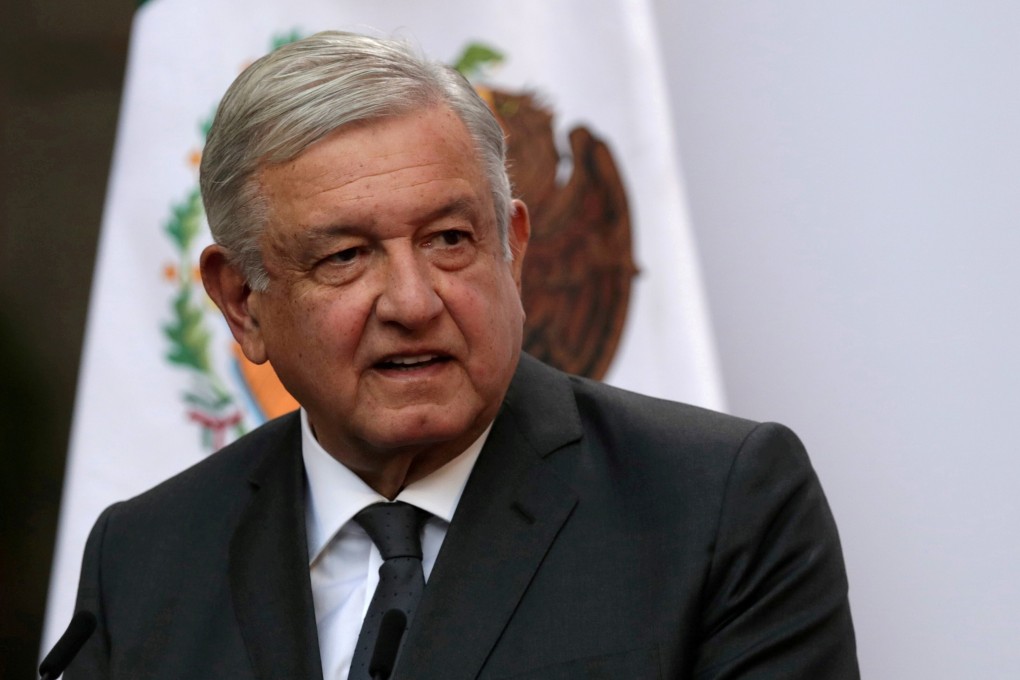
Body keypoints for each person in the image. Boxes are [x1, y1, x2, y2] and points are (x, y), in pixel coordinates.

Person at [65, 30, 858, 679]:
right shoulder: (144, 559)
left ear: (512, 249)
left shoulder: (714, 505)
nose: (413, 303)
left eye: (449, 240)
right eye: (345, 256)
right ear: (241, 301)